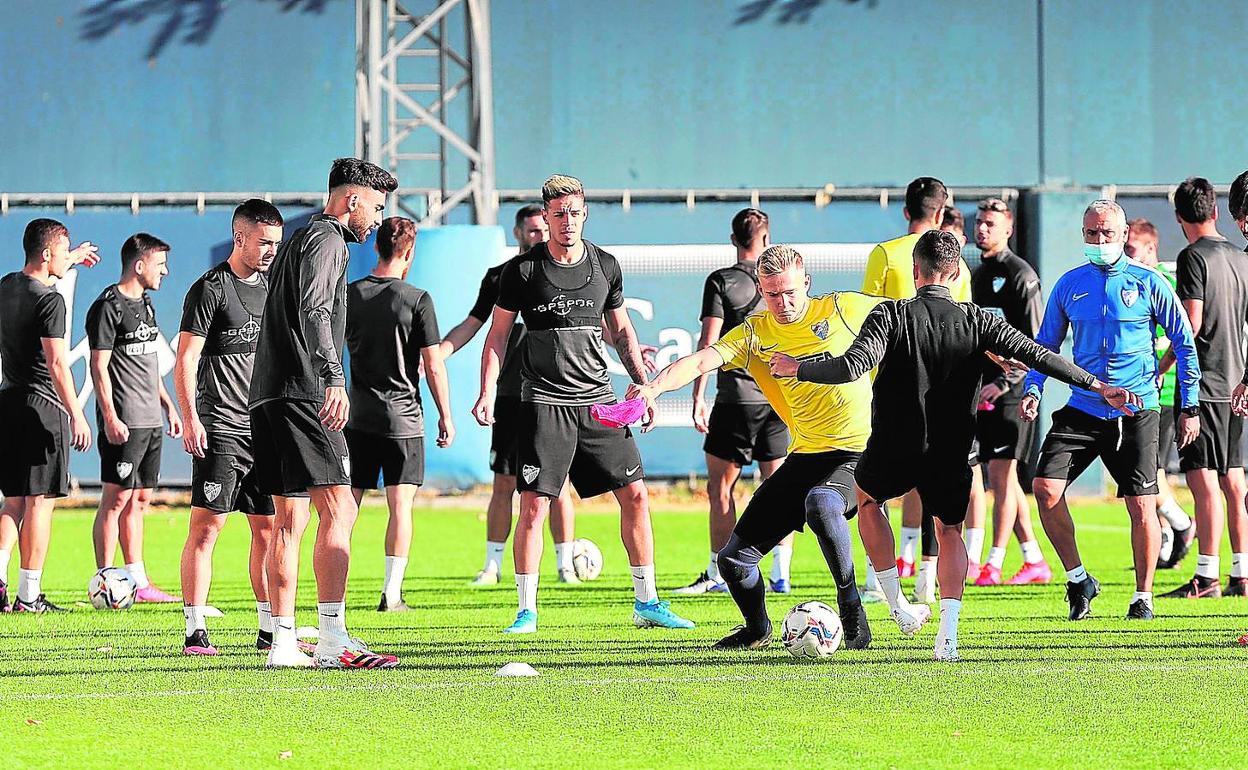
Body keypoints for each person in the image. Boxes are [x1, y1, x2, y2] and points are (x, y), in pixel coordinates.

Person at [773, 229, 1134, 661]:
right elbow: (1041, 356)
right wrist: (1097, 384)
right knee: (949, 532)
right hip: (952, 450)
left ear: (915, 271)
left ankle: (898, 606)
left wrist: (800, 367)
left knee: (868, 502)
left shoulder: (891, 315)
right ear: (956, 271)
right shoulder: (979, 320)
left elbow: (852, 366)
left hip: (895, 444)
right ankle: (948, 636)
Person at [473, 174, 693, 634]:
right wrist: (486, 392)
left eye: (574, 212)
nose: (566, 221)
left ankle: (647, 602)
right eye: (558, 214)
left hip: (599, 403)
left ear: (584, 213)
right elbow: (495, 338)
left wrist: (643, 386)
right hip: (544, 405)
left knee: (635, 495)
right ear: (546, 217)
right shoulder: (522, 272)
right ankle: (526, 610)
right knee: (533, 505)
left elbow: (622, 332)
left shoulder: (605, 265)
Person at [631, 244, 878, 649]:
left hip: (858, 454)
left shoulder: (843, 308)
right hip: (806, 456)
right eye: (772, 294)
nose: (782, 302)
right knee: (732, 562)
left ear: (807, 284)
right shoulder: (755, 332)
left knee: (821, 503)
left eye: (790, 292)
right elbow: (698, 361)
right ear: (762, 291)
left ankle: (851, 605)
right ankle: (758, 629)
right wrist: (653, 388)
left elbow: (918, 315)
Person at [249, 157, 400, 669]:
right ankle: (334, 638)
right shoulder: (329, 239)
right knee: (340, 509)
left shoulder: (298, 239)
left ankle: (284, 643)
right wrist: (334, 377)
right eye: (376, 207)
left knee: (289, 520)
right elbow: (315, 311)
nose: (377, 219)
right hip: (305, 393)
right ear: (352, 200)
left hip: (268, 396)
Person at [1024, 199, 1200, 621]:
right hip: (1084, 407)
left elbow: (1184, 342)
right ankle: (1078, 578)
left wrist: (1188, 405)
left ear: (1123, 236)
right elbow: (1044, 346)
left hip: (1137, 410)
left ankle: (1143, 596)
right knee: (1045, 489)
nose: (1098, 240)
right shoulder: (1069, 284)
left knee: (1142, 504)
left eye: (1106, 234)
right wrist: (1034, 387)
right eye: (1091, 233)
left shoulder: (1149, 282)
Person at [440, 204, 580, 586]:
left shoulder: (562, 275)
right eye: (532, 231)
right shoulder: (501, 277)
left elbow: (592, 325)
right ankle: (492, 565)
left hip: (554, 396)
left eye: (542, 229)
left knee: (558, 483)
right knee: (504, 482)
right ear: (518, 233)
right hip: (510, 398)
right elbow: (474, 323)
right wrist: (439, 352)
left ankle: (566, 564)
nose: (539, 235)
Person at [176, 199, 290, 656]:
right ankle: (195, 628)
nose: (270, 251)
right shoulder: (210, 290)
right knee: (208, 528)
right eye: (263, 242)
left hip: (264, 430)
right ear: (239, 237)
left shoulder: (271, 289)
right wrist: (191, 418)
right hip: (221, 427)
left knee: (268, 529)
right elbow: (185, 358)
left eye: (275, 245)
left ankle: (268, 627)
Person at [862, 177, 975, 601]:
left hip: (891, 386)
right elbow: (964, 316)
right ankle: (929, 577)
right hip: (946, 388)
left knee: (877, 484)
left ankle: (881, 578)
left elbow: (866, 314)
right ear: (942, 214)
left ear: (906, 211)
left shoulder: (886, 253)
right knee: (939, 489)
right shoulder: (957, 263)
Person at [678, 207, 793, 596]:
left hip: (735, 401)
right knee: (778, 489)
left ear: (733, 240)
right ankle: (781, 572)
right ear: (767, 239)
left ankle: (717, 573)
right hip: (779, 401)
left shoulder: (722, 281)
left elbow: (708, 344)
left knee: (721, 489)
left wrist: (698, 395)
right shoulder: (781, 283)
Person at [345, 216, 454, 612]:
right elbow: (433, 365)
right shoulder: (417, 299)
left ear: (375, 248)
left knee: (346, 509)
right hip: (403, 420)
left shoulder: (349, 296)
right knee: (400, 508)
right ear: (409, 253)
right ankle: (391, 594)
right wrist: (446, 415)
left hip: (355, 419)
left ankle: (332, 593)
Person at [0, 220, 98, 613]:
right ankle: (28, 596)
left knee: (13, 502)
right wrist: (77, 413)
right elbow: (58, 362)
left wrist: (70, 258)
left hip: (7, 404)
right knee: (40, 503)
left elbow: (41, 275)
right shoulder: (51, 301)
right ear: (46, 254)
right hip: (44, 409)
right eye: (63, 250)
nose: (66, 257)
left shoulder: (6, 286)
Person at [1159, 178, 1248, 599]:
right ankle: (1240, 572)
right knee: (1234, 480)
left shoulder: (1193, 257)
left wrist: (1161, 367)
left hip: (1204, 383)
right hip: (1236, 381)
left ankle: (1206, 577)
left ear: (1180, 218)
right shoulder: (1240, 256)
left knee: (1202, 479)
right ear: (1216, 211)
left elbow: (1190, 325)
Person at [86, 233, 183, 603]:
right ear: (139, 265)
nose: (165, 272)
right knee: (115, 498)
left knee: (140, 498)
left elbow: (149, 362)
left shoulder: (146, 303)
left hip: (150, 420)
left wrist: (168, 406)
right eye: (160, 265)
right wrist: (110, 415)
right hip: (124, 419)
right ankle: (105, 580)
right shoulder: (107, 306)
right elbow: (99, 366)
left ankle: (137, 581)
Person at [968, 198, 1052, 587]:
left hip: (1012, 392)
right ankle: (1034, 559)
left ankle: (994, 562)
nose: (982, 229)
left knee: (1002, 476)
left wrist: (1004, 384)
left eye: (991, 224)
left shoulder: (1020, 274)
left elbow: (1035, 344)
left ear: (1008, 229)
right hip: (984, 390)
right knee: (1005, 479)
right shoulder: (976, 274)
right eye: (980, 222)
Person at [1124, 218, 1195, 568]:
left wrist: (1162, 369)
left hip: (1162, 394)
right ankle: (1167, 536)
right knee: (1148, 473)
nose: (1125, 255)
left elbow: (1183, 336)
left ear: (1150, 249)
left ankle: (1180, 526)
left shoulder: (1162, 283)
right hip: (1138, 392)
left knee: (1148, 472)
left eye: (1131, 248)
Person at [942, 206, 989, 581]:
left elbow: (1033, 348)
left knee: (977, 478)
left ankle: (976, 554)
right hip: (933, 407)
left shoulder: (967, 292)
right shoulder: (900, 314)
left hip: (962, 404)